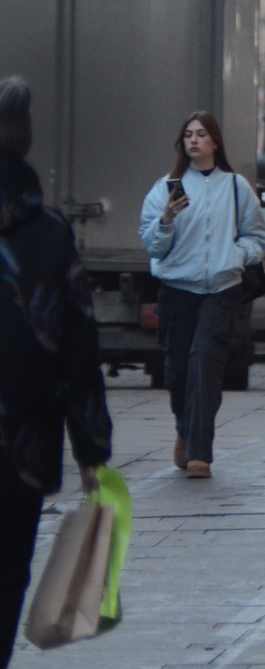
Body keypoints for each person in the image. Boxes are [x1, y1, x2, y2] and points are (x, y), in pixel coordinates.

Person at [0, 77, 113, 667]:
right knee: (6, 577)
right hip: (21, 447)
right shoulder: (49, 236)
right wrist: (91, 448)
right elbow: (78, 348)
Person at [140, 111, 265, 479]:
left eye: (201, 134)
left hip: (222, 291)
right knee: (178, 372)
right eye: (188, 135)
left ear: (215, 142)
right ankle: (184, 429)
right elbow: (152, 245)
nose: (194, 140)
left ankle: (200, 454)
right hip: (177, 291)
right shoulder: (166, 188)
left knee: (204, 365)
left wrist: (237, 255)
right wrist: (166, 219)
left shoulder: (235, 186)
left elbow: (257, 237)